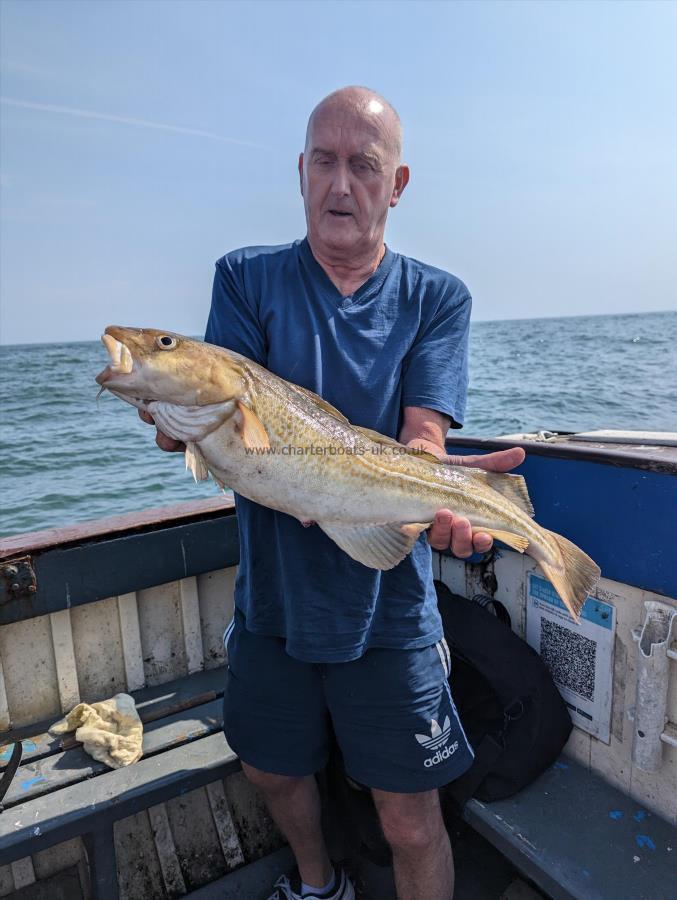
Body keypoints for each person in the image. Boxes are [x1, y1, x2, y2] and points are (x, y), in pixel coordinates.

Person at [141, 86, 524, 900]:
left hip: (388, 611)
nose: (339, 185)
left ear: (398, 183)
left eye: (363, 165)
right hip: (274, 604)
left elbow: (423, 437)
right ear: (300, 171)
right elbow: (224, 424)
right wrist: (177, 424)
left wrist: (442, 492)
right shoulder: (244, 279)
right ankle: (317, 885)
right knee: (271, 772)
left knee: (411, 816)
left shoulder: (437, 298)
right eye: (323, 161)